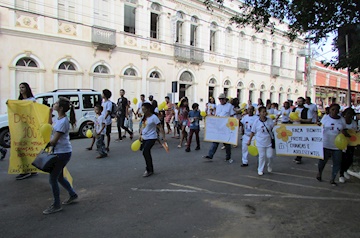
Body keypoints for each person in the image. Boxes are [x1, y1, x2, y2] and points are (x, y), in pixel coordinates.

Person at [43, 97, 78, 215]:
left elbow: (54, 141)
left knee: (53, 178)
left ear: (61, 108)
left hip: (62, 153)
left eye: (57, 103)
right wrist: (49, 113)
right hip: (59, 152)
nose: (54, 104)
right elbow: (49, 127)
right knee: (59, 177)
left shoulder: (63, 122)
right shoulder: (59, 119)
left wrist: (45, 142)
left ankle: (56, 204)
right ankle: (72, 194)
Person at [317, 103, 349, 186]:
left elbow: (344, 130)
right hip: (326, 143)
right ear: (329, 110)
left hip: (337, 146)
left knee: (337, 162)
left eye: (337, 110)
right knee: (322, 162)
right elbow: (320, 127)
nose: (335, 111)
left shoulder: (342, 119)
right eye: (333, 109)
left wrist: (346, 134)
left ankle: (333, 179)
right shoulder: (325, 118)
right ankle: (319, 173)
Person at [203, 93, 235, 163]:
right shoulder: (218, 106)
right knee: (215, 141)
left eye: (222, 99)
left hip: (226, 126)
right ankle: (210, 155)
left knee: (227, 143)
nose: (220, 100)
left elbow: (232, 116)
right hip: (219, 126)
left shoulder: (229, 106)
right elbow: (216, 115)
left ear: (225, 99)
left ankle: (228, 157)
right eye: (219, 99)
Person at [16, 82, 37, 180]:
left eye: (23, 87)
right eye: (20, 87)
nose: (21, 89)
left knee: (22, 148)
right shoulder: (20, 100)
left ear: (27, 88)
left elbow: (34, 112)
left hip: (29, 128)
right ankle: (32, 169)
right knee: (25, 149)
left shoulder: (32, 100)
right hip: (22, 127)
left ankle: (26, 170)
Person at [139, 102, 166, 177]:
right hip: (145, 137)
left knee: (145, 151)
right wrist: (140, 133)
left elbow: (160, 127)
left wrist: (163, 137)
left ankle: (149, 169)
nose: (143, 111)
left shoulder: (154, 117)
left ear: (148, 109)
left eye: (144, 109)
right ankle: (150, 168)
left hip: (152, 137)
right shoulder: (144, 117)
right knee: (145, 152)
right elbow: (143, 126)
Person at [247, 106, 275, 176]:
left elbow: (274, 129)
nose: (264, 113)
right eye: (263, 112)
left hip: (269, 141)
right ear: (259, 113)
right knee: (261, 156)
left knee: (270, 156)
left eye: (265, 111)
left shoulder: (270, 121)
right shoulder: (256, 122)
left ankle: (269, 165)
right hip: (260, 141)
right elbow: (253, 132)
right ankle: (260, 169)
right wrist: (249, 140)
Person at [291, 97, 313, 164]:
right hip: (295, 128)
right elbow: (291, 117)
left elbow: (309, 120)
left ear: (303, 102)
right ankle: (297, 155)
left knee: (300, 142)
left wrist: (301, 120)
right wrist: (292, 120)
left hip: (303, 128)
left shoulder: (307, 110)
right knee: (296, 142)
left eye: (300, 101)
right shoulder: (294, 109)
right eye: (298, 101)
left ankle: (299, 157)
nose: (299, 102)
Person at [339, 108, 357, 183]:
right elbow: (341, 131)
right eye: (347, 113)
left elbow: (355, 132)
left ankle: (345, 170)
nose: (349, 115)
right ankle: (341, 175)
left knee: (350, 159)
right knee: (343, 159)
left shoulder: (354, 123)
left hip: (351, 143)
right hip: (342, 142)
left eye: (350, 114)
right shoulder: (341, 122)